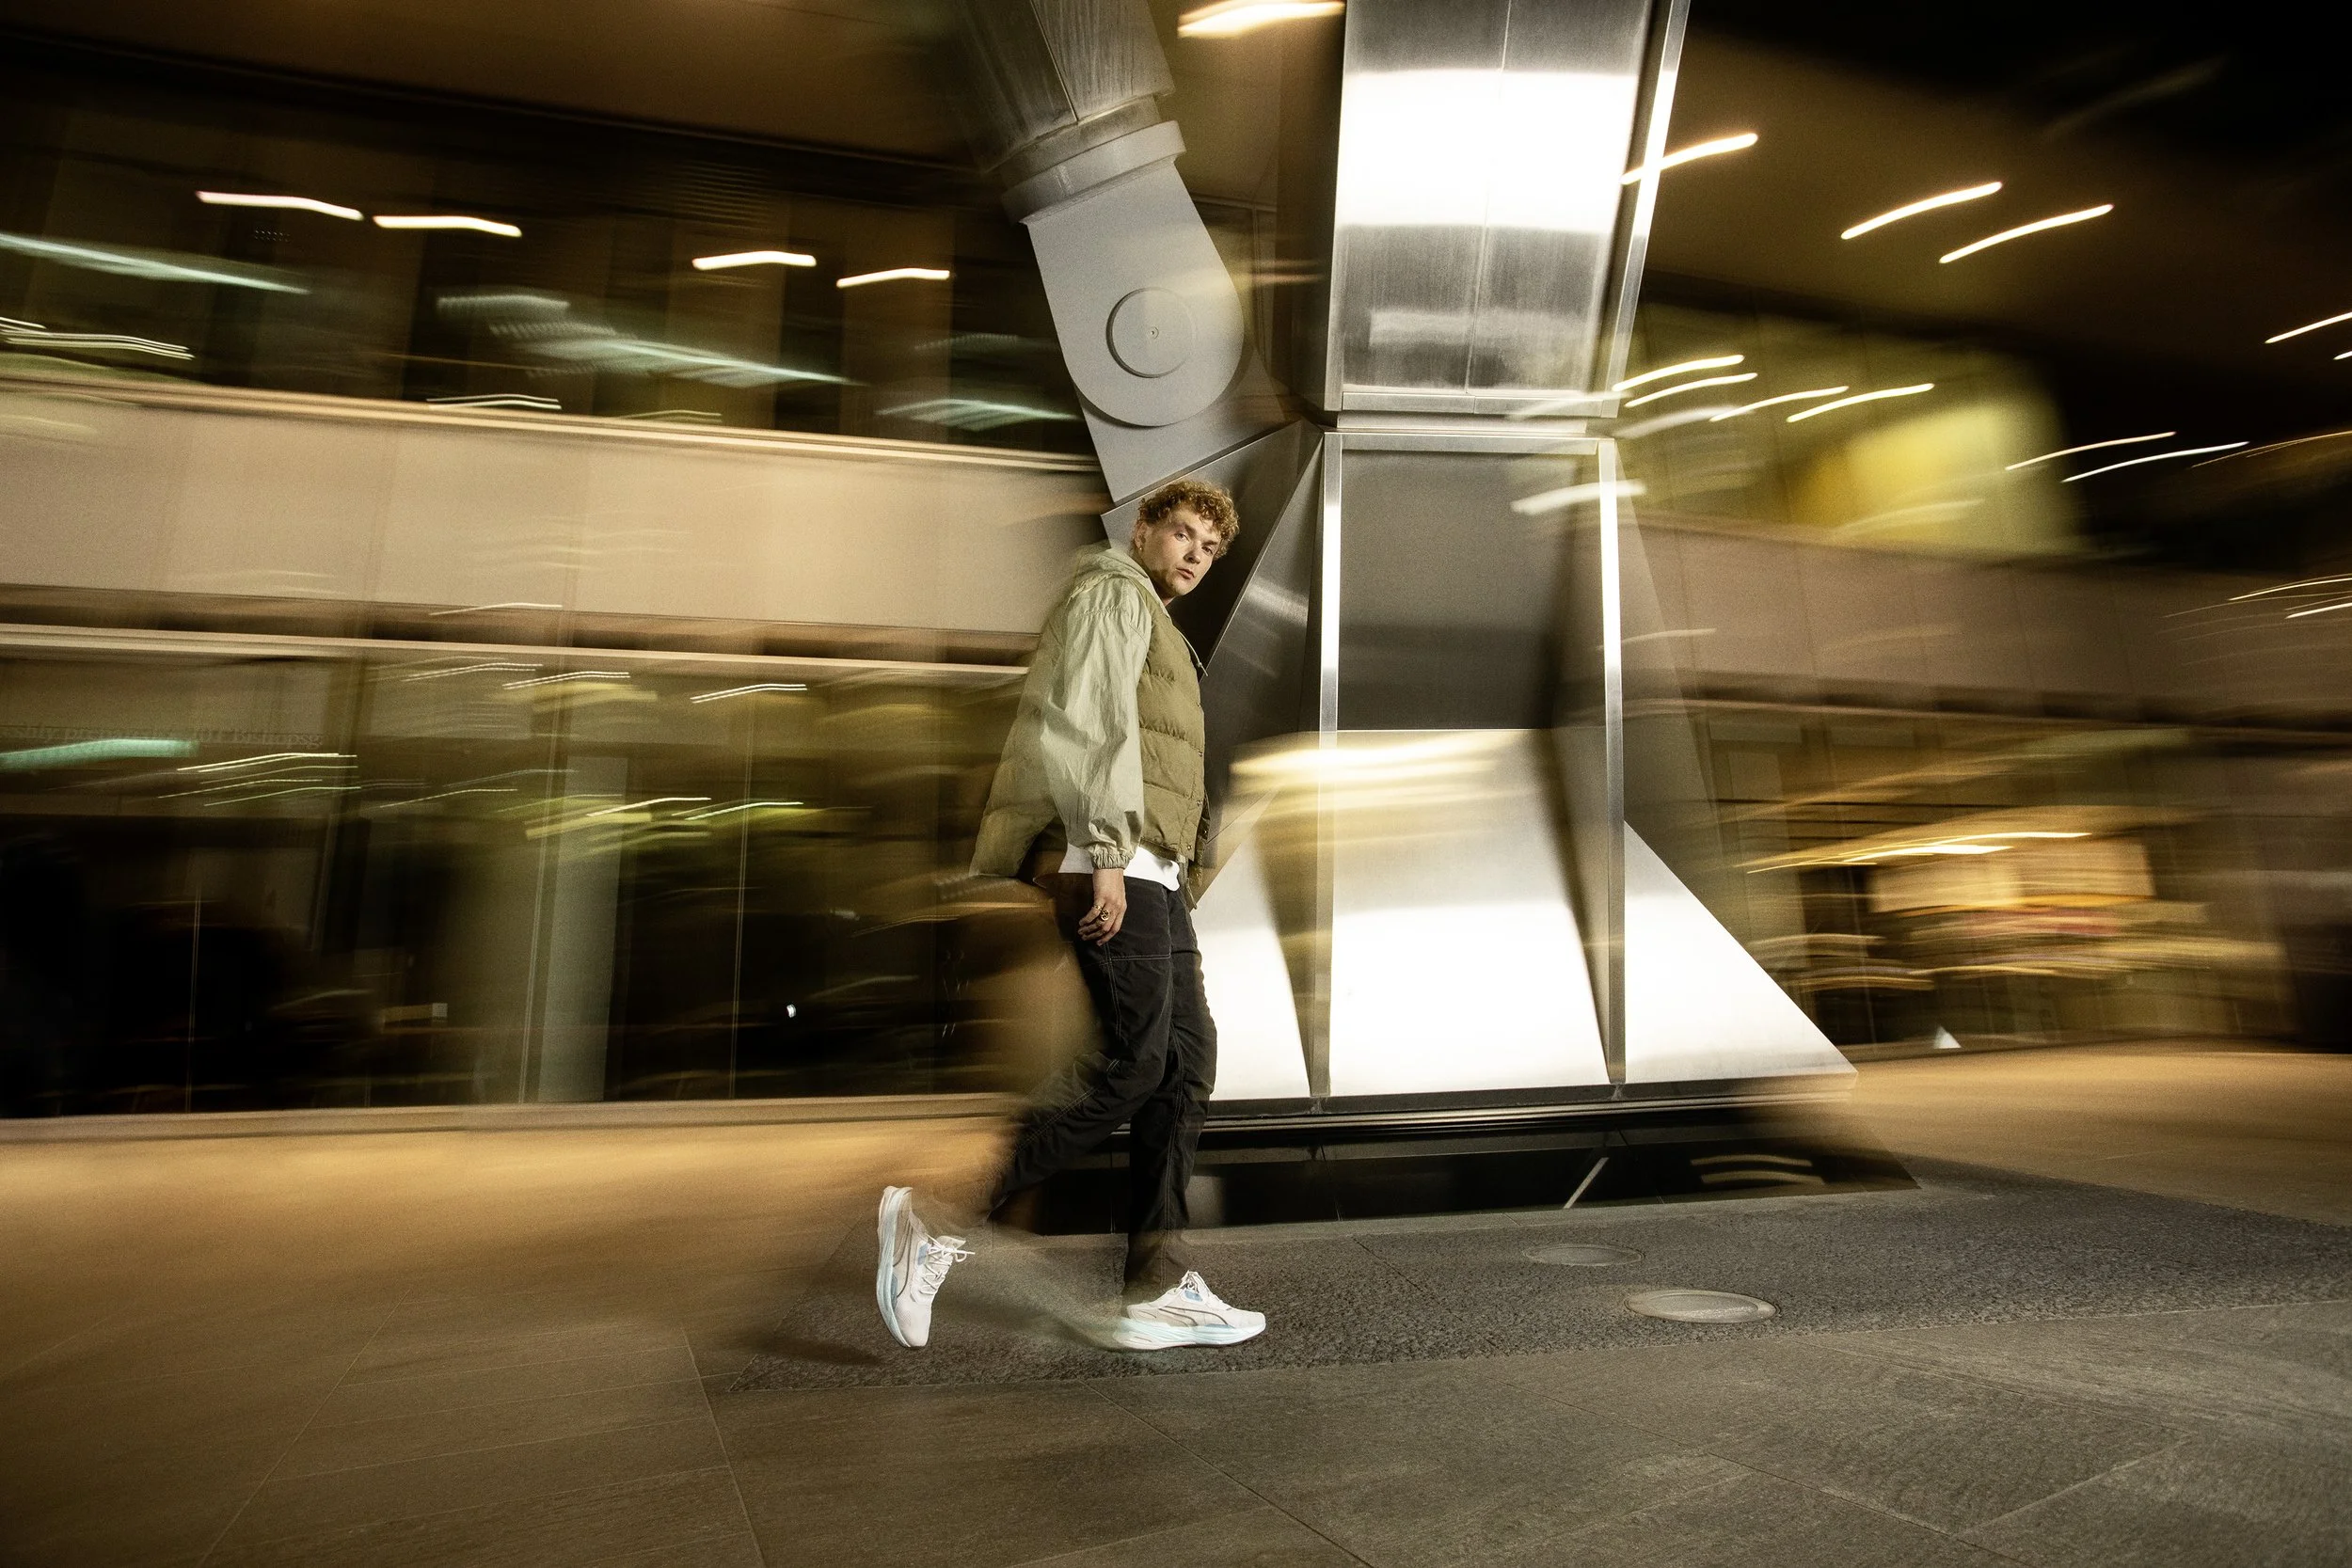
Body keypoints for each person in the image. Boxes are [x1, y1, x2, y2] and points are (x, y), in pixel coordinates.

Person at [875, 477, 1266, 1353]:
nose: (1196, 555)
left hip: (1150, 870)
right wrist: (1106, 854)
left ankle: (1155, 1287)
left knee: (1185, 1063)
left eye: (1210, 548)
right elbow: (1088, 721)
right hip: (1109, 860)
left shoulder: (1153, 617)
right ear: (1145, 526)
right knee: (1135, 1063)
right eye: (1185, 534)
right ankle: (934, 1216)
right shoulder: (1113, 592)